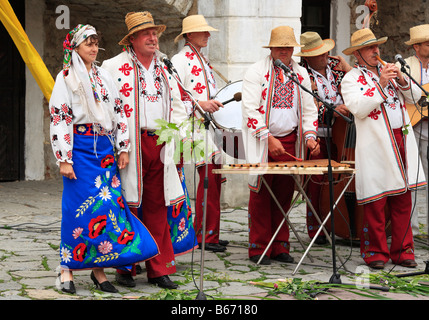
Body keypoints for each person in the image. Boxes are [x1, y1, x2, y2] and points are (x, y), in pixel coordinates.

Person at [49, 24, 159, 294]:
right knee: (76, 209)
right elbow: (60, 117)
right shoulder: (65, 78)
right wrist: (64, 158)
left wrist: (123, 148)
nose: (94, 48)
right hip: (80, 149)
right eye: (88, 43)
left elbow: (120, 111)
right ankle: (67, 269)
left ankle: (98, 269)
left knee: (105, 210)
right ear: (75, 47)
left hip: (104, 151)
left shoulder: (104, 77)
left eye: (96, 43)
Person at [102, 11, 188, 289]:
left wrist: (177, 135)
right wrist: (118, 144)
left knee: (158, 206)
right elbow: (108, 109)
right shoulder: (112, 67)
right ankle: (125, 267)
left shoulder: (165, 67)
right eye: (146, 34)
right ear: (133, 39)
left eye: (155, 33)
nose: (153, 38)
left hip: (160, 142)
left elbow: (178, 105)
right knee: (129, 204)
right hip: (130, 144)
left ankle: (158, 269)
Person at [341, 28, 426, 269]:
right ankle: (375, 253)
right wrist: (381, 83)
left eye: (376, 46)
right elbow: (358, 108)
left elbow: (415, 96)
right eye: (369, 47)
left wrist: (400, 78)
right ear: (357, 54)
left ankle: (404, 251)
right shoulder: (351, 79)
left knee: (403, 198)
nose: (375, 51)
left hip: (402, 139)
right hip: (375, 145)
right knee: (376, 200)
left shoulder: (390, 68)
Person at [241, 26, 320, 265]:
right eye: (280, 47)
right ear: (272, 48)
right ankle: (259, 247)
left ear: (294, 49)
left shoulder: (301, 74)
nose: (284, 51)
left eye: (288, 47)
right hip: (263, 141)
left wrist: (310, 136)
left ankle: (280, 245)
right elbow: (249, 110)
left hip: (290, 141)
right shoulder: (256, 72)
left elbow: (309, 108)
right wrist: (268, 138)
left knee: (284, 194)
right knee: (261, 195)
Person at [171, 14, 228, 253]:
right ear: (189, 35)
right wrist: (200, 105)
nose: (208, 35)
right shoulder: (180, 59)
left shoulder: (202, 59)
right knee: (207, 179)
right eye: (203, 31)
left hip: (208, 126)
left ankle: (210, 232)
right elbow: (175, 97)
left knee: (214, 179)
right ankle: (205, 234)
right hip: (192, 127)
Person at [295, 31, 352, 244]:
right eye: (318, 53)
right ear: (307, 57)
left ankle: (339, 222)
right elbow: (307, 106)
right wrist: (333, 111)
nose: (325, 56)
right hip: (318, 133)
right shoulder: (302, 75)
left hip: (342, 135)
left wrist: (349, 68)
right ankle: (316, 229)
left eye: (325, 52)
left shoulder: (338, 72)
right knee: (316, 183)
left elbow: (361, 88)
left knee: (340, 179)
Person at [398, 24, 429, 236]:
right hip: (412, 123)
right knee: (411, 177)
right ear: (416, 47)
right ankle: (412, 229)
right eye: (428, 43)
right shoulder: (404, 65)